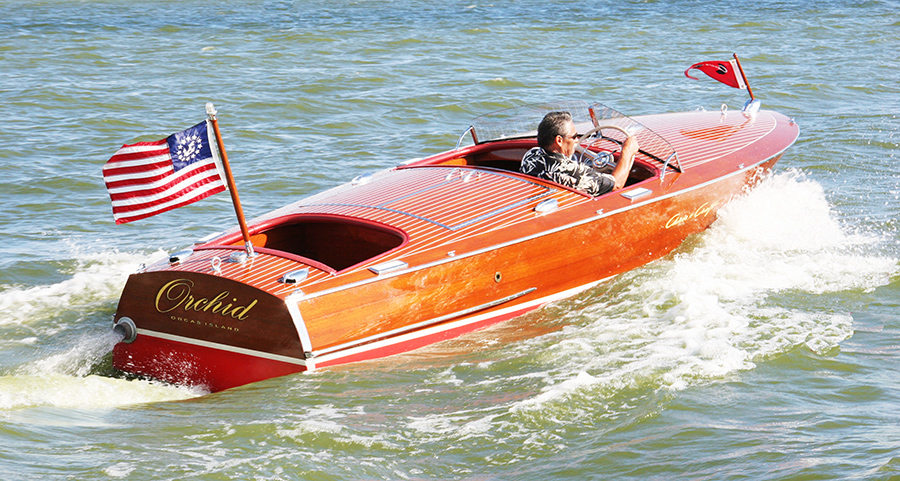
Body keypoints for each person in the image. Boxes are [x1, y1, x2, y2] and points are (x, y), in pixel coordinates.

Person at [520, 111, 639, 196]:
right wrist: (627, 152)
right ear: (559, 141)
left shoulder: (531, 155)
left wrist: (591, 169)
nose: (577, 140)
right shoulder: (574, 171)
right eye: (574, 137)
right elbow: (616, 185)